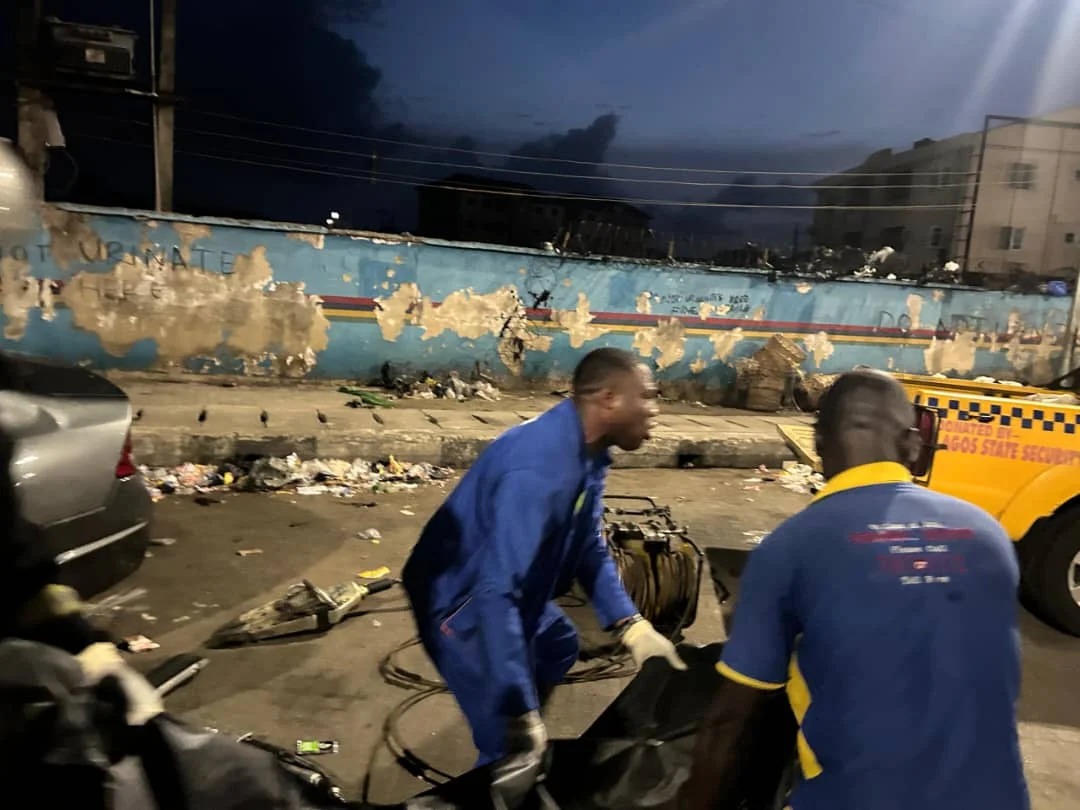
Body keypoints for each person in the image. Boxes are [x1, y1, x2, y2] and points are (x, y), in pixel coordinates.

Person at [675, 369, 1029, 810]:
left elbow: (732, 720)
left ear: (817, 444)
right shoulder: (988, 534)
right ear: (912, 445)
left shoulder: (791, 546)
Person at [402, 347, 687, 805]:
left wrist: (630, 624)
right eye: (648, 395)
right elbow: (497, 593)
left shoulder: (587, 451)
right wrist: (517, 711)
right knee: (509, 752)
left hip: (510, 584)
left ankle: (517, 722)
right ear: (609, 399)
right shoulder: (539, 468)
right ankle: (499, 768)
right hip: (460, 600)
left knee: (558, 643)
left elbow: (588, 544)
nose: (656, 409)